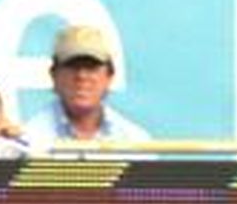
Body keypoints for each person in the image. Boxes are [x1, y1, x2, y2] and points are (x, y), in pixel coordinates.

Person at [22, 24, 151, 144]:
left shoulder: (135, 141)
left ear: (109, 76)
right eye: (72, 66)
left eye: (91, 67)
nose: (82, 76)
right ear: (54, 75)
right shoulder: (29, 141)